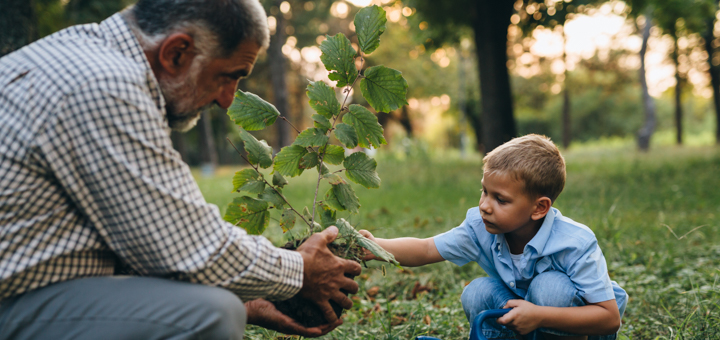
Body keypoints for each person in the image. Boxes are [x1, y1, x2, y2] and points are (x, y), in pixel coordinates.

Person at [0, 0, 361, 338]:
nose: (228, 99)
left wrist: (248, 299)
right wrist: (300, 271)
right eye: (228, 76)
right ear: (176, 53)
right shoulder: (105, 86)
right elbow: (189, 247)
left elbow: (138, 240)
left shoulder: (81, 56)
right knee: (210, 312)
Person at [361, 134, 628, 340]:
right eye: (485, 192)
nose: (485, 205)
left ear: (539, 208)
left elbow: (608, 318)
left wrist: (539, 315)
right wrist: (378, 247)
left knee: (550, 288)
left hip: (582, 322)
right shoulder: (480, 226)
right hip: (527, 313)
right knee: (477, 292)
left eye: (500, 199)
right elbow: (427, 248)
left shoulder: (574, 241)